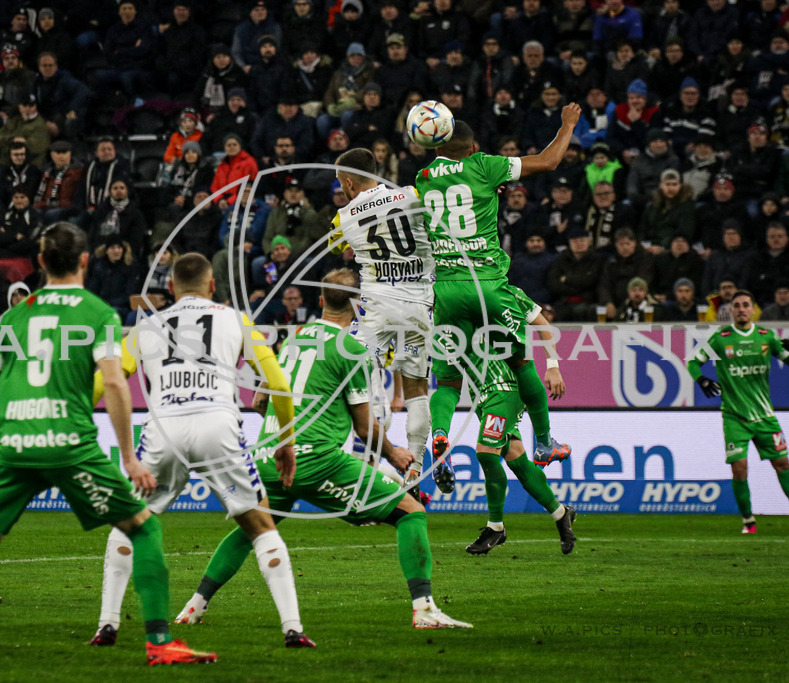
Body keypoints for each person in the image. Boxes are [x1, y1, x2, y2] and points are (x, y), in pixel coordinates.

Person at [0, 223, 217, 666]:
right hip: (70, 445)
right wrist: (129, 457)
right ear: (85, 261)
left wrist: (0, 447)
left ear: (42, 263)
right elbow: (114, 383)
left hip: (15, 446)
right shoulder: (98, 313)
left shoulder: (13, 316)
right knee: (144, 528)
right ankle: (161, 642)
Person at [174, 269, 472, 630]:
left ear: (319, 301)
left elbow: (262, 400)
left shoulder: (295, 339)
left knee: (254, 529)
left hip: (269, 456)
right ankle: (424, 609)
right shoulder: (352, 349)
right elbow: (364, 428)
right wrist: (394, 454)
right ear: (357, 304)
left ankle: (194, 605)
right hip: (315, 460)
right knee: (410, 513)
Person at [90, 252, 313, 649]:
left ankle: (107, 624)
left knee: (131, 520)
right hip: (218, 424)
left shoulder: (147, 327)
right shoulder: (236, 319)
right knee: (260, 526)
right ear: (213, 286)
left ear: (171, 288)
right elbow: (278, 383)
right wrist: (286, 442)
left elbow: (108, 381)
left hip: (164, 428)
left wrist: (73, 410)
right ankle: (293, 628)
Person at [416, 108, 579, 473]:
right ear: (473, 148)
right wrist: (567, 125)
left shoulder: (423, 177)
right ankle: (544, 442)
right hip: (485, 283)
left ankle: (440, 432)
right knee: (520, 362)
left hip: (445, 288)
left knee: (447, 379)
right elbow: (549, 161)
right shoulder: (484, 166)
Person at [331, 148, 435, 484]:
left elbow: (336, 247)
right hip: (420, 308)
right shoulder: (413, 195)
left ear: (348, 182)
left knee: (363, 380)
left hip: (378, 309)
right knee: (417, 387)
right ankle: (415, 472)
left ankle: (369, 470)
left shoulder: (342, 216)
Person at [687, 289, 789, 535]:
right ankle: (748, 522)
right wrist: (702, 380)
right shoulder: (721, 338)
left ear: (752, 308)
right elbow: (692, 361)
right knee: (739, 468)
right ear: (731, 310)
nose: (741, 309)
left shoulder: (766, 337)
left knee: (782, 464)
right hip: (734, 416)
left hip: (764, 415)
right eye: (737, 305)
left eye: (745, 305)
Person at [465, 352, 576, 555]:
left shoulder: (497, 321)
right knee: (517, 460)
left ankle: (495, 526)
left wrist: (553, 366)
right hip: (484, 392)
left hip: (503, 389)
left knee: (487, 453)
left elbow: (540, 323)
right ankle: (560, 513)